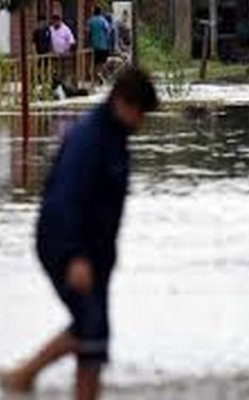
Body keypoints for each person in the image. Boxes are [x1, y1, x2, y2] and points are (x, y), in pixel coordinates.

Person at [0, 68, 159, 400]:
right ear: (122, 102)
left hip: (94, 252)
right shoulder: (89, 139)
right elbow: (64, 200)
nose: (141, 121)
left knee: (94, 339)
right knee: (90, 326)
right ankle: (22, 376)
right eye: (140, 112)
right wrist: (75, 256)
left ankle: (30, 379)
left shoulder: (115, 136)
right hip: (65, 246)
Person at [88, 7, 111, 76]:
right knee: (103, 62)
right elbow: (108, 30)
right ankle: (101, 75)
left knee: (95, 62)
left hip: (94, 45)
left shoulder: (90, 21)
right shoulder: (103, 21)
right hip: (103, 45)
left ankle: (94, 75)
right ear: (100, 12)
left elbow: (88, 32)